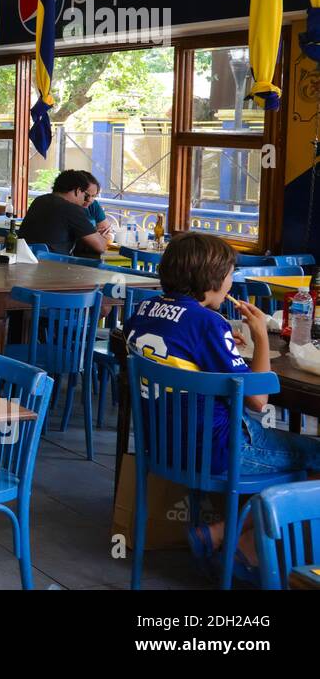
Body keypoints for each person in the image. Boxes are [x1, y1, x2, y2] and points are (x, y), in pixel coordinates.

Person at [124, 232, 320, 582]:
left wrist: (225, 336)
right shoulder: (207, 323)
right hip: (220, 449)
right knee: (316, 456)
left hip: (164, 445)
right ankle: (243, 543)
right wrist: (260, 336)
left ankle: (228, 537)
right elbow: (258, 401)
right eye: (230, 274)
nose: (232, 281)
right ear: (213, 280)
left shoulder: (142, 310)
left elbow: (180, 344)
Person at [17, 169, 108, 256]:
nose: (87, 200)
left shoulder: (40, 200)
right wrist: (100, 237)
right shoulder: (72, 209)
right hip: (52, 265)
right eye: (85, 195)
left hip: (23, 258)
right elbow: (101, 246)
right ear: (78, 191)